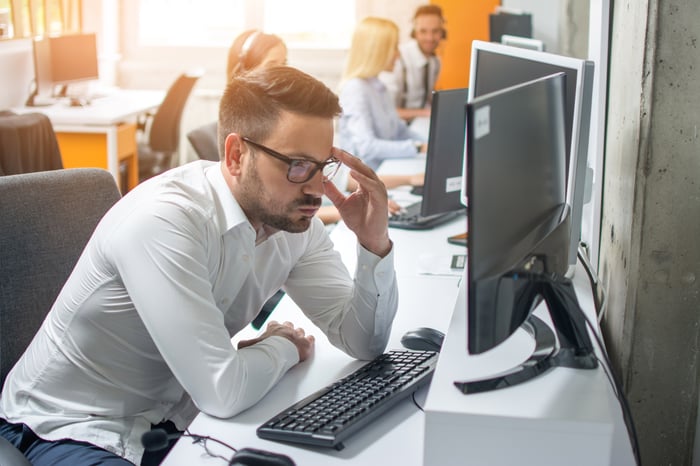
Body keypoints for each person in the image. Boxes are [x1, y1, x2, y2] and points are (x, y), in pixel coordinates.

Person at [0, 65, 399, 466]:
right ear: (236, 154)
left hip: (175, 417)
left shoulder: (293, 224)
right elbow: (223, 391)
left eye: (323, 165)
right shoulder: (165, 221)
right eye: (297, 165)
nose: (315, 189)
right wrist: (283, 345)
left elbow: (363, 342)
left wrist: (373, 242)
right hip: (68, 427)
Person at [336, 16, 428, 172]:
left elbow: (399, 130)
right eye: (394, 48)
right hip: (366, 180)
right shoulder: (355, 89)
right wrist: (418, 147)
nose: (398, 55)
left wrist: (430, 144)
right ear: (377, 50)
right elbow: (367, 147)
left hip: (386, 167)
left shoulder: (379, 86)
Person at [379, 5, 446, 123]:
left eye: (435, 31)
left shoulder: (435, 62)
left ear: (442, 32)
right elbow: (386, 111)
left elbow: (428, 98)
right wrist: (426, 113)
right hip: (398, 126)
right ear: (414, 32)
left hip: (421, 122)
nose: (430, 38)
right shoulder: (397, 61)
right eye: (423, 31)